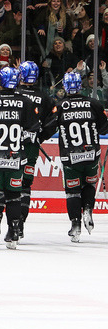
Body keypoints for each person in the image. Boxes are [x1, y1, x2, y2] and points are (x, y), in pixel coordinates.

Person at [0, 67, 40, 250]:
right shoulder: (26, 102)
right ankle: (14, 232)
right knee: (14, 195)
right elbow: (33, 130)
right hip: (16, 158)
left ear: (0, 81)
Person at [46, 72, 108, 241]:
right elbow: (104, 129)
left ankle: (75, 225)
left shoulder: (60, 106)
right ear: (80, 86)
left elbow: (48, 128)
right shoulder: (93, 103)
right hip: (91, 154)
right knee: (89, 184)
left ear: (65, 86)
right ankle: (88, 208)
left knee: (72, 192)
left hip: (71, 156)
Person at [15, 60, 52, 238]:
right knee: (25, 186)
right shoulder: (44, 97)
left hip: (11, 148)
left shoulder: (13, 93)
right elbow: (54, 120)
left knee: (5, 186)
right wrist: (40, 136)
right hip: (31, 149)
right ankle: (19, 224)